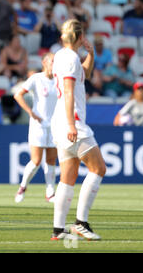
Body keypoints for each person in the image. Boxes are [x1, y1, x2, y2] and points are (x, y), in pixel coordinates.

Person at [50, 19, 106, 241]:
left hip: (58, 123)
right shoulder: (71, 58)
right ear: (81, 37)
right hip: (71, 122)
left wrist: (90, 56)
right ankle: (80, 223)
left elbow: (83, 76)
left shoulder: (61, 56)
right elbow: (69, 90)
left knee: (68, 177)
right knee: (99, 168)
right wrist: (72, 123)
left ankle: (58, 229)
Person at [13, 52, 57, 203]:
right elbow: (18, 95)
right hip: (38, 125)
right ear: (44, 62)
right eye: (52, 61)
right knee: (36, 161)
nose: (54, 64)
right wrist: (31, 112)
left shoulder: (59, 80)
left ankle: (50, 192)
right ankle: (23, 186)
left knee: (51, 160)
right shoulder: (36, 78)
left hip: (54, 125)